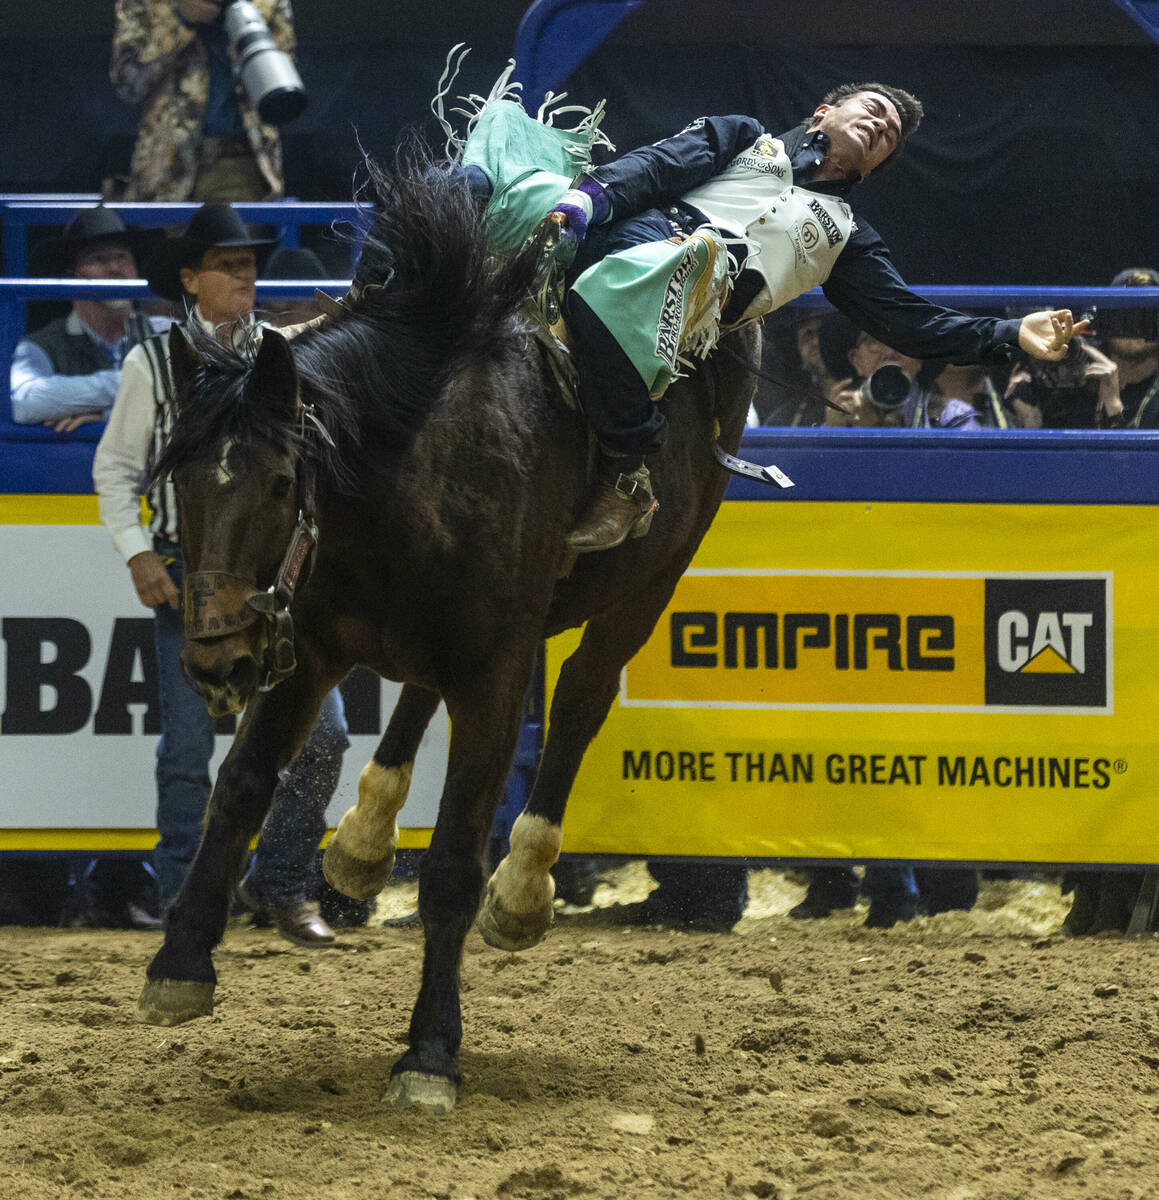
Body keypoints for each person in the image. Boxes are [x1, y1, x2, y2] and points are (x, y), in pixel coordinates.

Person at [532, 86, 1087, 550]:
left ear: (871, 171)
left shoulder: (847, 238)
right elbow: (661, 164)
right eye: (872, 109)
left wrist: (1008, 332)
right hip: (628, 225)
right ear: (824, 112)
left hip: (689, 284)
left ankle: (629, 469)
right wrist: (590, 196)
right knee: (493, 185)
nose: (881, 126)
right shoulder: (746, 135)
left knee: (623, 283)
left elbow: (908, 320)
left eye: (890, 135)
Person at [93, 203, 344, 946]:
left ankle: (285, 886)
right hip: (188, 575)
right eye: (227, 265)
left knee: (322, 739)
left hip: (270, 588)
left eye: (248, 264)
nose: (244, 275)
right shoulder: (150, 364)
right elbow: (115, 469)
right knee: (186, 752)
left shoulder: (279, 354)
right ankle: (186, 895)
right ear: (190, 279)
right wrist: (136, 552)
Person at [110, 0, 294, 201]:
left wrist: (246, 50)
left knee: (233, 230)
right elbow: (128, 84)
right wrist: (181, 23)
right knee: (165, 229)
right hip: (165, 166)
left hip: (239, 163)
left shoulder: (267, 2)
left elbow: (282, 90)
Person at [10, 207, 167, 431]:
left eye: (122, 257)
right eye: (98, 258)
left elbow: (196, 398)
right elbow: (22, 401)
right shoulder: (39, 346)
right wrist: (140, 383)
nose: (114, 268)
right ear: (71, 276)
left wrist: (109, 415)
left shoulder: (166, 332)